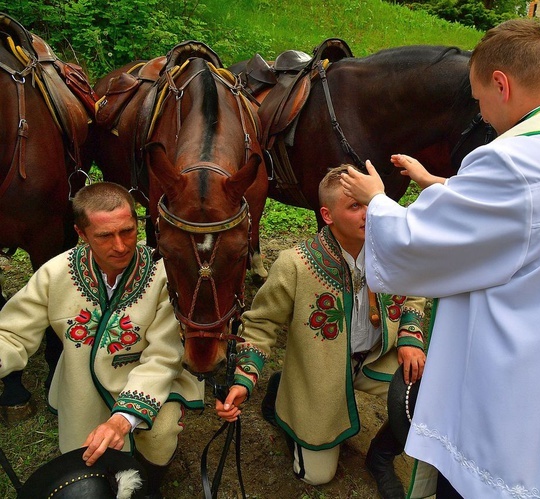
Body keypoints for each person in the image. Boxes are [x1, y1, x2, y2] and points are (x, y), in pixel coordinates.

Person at [340, 19, 540, 499]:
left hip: (520, 399)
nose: (481, 113)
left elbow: (417, 246)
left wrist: (377, 200)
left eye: (479, 99)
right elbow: (520, 216)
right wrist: (435, 181)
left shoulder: (510, 161)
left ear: (501, 84)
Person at [215, 165, 428, 499]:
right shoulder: (294, 264)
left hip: (377, 358)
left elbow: (416, 291)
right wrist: (244, 377)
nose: (368, 214)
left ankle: (382, 456)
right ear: (327, 215)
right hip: (319, 374)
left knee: (426, 388)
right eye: (355, 206)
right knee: (316, 476)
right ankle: (284, 392)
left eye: (371, 202)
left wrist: (409, 336)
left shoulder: (393, 248)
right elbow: (260, 324)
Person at [0, 182, 204, 497]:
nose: (121, 246)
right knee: (86, 456)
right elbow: (12, 332)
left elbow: (164, 355)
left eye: (128, 231)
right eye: (105, 236)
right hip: (83, 383)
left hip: (151, 378)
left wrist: (123, 418)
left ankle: (150, 484)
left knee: (160, 434)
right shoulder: (55, 274)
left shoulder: (166, 277)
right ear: (81, 234)